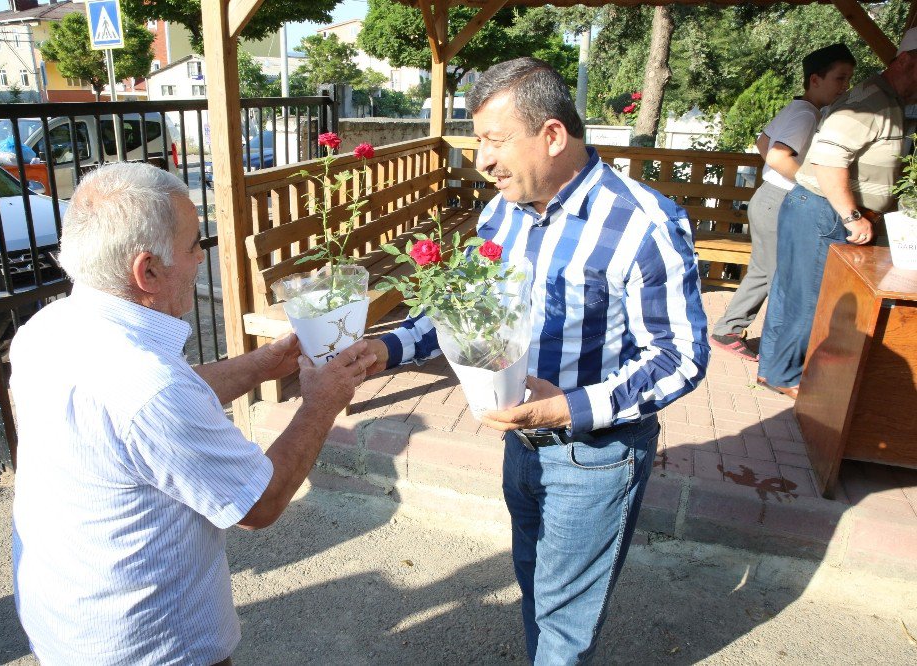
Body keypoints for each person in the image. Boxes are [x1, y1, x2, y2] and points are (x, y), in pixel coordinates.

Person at [361, 58, 709, 663]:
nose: (482, 160)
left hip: (593, 454)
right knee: (533, 582)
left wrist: (565, 410)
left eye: (495, 142)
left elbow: (680, 357)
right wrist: (384, 348)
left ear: (552, 135)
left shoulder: (643, 226)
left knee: (562, 621)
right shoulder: (503, 211)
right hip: (522, 445)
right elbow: (460, 308)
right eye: (479, 143)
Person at [10, 162, 376, 665]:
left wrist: (260, 365)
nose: (201, 257)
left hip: (69, 622)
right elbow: (259, 505)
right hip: (152, 646)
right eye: (192, 245)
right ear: (148, 271)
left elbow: (148, 410)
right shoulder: (148, 385)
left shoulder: (48, 328)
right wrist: (322, 404)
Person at [757, 28, 917, 399]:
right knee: (810, 298)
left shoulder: (888, 100)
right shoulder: (873, 102)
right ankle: (787, 374)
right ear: (907, 62)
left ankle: (774, 369)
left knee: (790, 292)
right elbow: (829, 162)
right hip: (825, 211)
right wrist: (851, 215)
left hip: (813, 207)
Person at [711, 44, 856, 361]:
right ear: (815, 79)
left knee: (765, 270)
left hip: (768, 196)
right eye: (839, 78)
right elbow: (777, 154)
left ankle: (728, 329)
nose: (845, 87)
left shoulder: (798, 109)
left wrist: (779, 174)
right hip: (778, 202)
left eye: (848, 79)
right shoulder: (806, 114)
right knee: (785, 278)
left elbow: (764, 142)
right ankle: (779, 352)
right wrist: (812, 183)